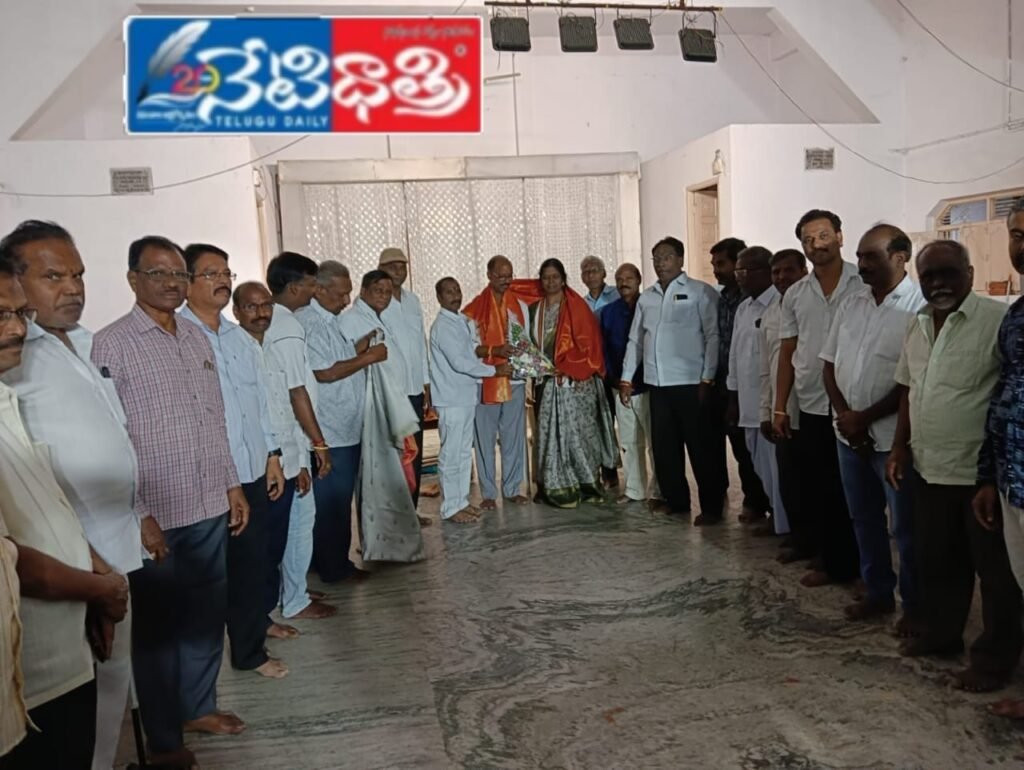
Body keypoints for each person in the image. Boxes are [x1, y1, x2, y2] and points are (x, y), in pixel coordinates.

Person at [92, 236, 250, 760]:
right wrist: (138, 514)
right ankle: (163, 740)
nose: (170, 283)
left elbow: (215, 418)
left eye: (179, 274)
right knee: (159, 633)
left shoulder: (197, 338)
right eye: (157, 273)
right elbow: (109, 434)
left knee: (206, 619)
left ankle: (197, 706)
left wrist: (231, 485)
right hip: (155, 513)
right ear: (132, 278)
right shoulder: (111, 344)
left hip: (208, 502)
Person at [0, 220, 143, 769]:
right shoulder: (16, 354)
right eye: (53, 275)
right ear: (16, 280)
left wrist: (140, 516)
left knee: (108, 691)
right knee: (59, 707)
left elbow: (115, 434)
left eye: (78, 274)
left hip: (110, 550)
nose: (73, 288)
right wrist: (86, 573)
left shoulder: (86, 342)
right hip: (55, 564)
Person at [886, 240, 1020, 694]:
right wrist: (900, 447)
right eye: (930, 277)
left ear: (970, 273)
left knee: (997, 576)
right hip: (928, 466)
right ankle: (942, 637)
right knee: (937, 562)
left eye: (949, 273)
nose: (939, 283)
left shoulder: (996, 322)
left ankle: (994, 661)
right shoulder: (917, 324)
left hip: (979, 477)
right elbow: (908, 388)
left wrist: (991, 473)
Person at [180, 243, 288, 681]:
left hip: (252, 468)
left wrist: (273, 456)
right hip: (210, 478)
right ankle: (216, 664)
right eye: (210, 274)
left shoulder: (237, 338)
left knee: (253, 563)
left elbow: (259, 403)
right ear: (187, 283)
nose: (222, 280)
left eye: (226, 272)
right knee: (213, 576)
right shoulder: (182, 339)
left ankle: (249, 646)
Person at [820, 225, 923, 628]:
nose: (861, 265)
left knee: (905, 528)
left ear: (899, 257)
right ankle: (878, 592)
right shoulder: (853, 302)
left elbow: (912, 379)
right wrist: (847, 416)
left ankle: (914, 608)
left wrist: (865, 418)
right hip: (848, 435)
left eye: (871, 257)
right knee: (863, 519)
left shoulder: (918, 306)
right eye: (860, 257)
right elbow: (829, 364)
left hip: (893, 439)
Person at [773, 210, 861, 587]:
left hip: (858, 402)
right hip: (812, 402)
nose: (816, 245)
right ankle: (833, 563)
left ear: (840, 236)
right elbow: (788, 351)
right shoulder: (796, 294)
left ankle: (866, 569)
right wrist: (780, 405)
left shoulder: (863, 282)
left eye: (824, 235)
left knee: (859, 491)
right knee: (822, 489)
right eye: (808, 240)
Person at [621, 236, 722, 523]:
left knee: (700, 449)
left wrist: (708, 378)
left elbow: (713, 336)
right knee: (665, 448)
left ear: (680, 259)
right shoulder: (647, 297)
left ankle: (712, 508)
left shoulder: (700, 292)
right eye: (656, 258)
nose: (660, 263)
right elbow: (635, 341)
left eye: (666, 257)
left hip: (692, 383)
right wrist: (627, 378)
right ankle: (677, 502)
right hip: (658, 384)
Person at [297, 261, 383, 581]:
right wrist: (368, 357)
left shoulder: (332, 319)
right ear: (319, 289)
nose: (347, 301)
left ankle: (325, 561)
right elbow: (325, 371)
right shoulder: (308, 322)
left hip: (347, 425)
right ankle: (335, 568)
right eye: (341, 294)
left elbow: (342, 356)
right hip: (330, 430)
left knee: (334, 502)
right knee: (333, 503)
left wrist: (363, 344)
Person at [231, 282, 307, 643]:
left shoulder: (273, 350)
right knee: (255, 551)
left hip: (287, 462)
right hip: (255, 467)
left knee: (273, 546)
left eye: (265, 306)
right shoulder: (232, 352)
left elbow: (290, 407)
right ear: (236, 311)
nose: (261, 313)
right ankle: (255, 622)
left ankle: (265, 612)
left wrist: (302, 459)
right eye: (251, 307)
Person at [264, 252, 337, 621]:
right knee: (299, 521)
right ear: (293, 287)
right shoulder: (288, 327)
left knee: (295, 520)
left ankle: (293, 589)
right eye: (311, 283)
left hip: (288, 439)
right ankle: (294, 600)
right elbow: (297, 392)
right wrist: (318, 444)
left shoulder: (276, 321)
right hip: (290, 441)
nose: (316, 289)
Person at [976, 199, 1024, 718]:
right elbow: (1005, 396)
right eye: (1015, 233)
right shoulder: (1015, 316)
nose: (1020, 243)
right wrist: (990, 476)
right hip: (1013, 478)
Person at [340, 271, 424, 562]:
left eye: (388, 291)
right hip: (371, 409)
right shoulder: (352, 319)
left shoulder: (382, 317)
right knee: (375, 477)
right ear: (363, 290)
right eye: (378, 289)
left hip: (392, 404)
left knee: (396, 473)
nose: (384, 295)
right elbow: (347, 356)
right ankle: (375, 541)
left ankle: (391, 537)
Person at [528, 258, 616, 508]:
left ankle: (586, 482)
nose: (551, 281)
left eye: (555, 276)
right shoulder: (536, 310)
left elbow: (589, 346)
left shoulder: (576, 306)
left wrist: (568, 368)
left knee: (578, 435)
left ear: (564, 278)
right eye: (546, 277)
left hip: (577, 382)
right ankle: (554, 485)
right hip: (547, 383)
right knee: (550, 435)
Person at [430, 277, 510, 522]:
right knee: (451, 453)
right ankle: (449, 508)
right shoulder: (442, 327)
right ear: (439, 298)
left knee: (464, 452)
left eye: (457, 290)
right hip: (450, 399)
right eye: (449, 292)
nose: (455, 295)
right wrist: (494, 371)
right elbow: (460, 362)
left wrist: (494, 351)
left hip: (465, 396)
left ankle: (461, 501)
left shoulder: (463, 321)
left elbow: (474, 350)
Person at [726, 246, 786, 537]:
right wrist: (733, 396)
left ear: (765, 272)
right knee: (759, 466)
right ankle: (776, 516)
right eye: (737, 272)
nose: (739, 278)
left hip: (773, 404)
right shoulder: (744, 307)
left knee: (778, 469)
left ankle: (786, 526)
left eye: (744, 272)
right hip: (747, 404)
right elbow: (735, 356)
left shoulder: (780, 304)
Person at [463, 256, 532, 510]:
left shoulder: (520, 307)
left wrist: (523, 359)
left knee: (514, 438)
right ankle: (489, 493)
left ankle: (513, 488)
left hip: (514, 381)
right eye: (501, 275)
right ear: (489, 275)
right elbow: (469, 350)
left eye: (509, 275)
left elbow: (525, 343)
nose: (506, 280)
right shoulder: (473, 311)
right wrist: (497, 350)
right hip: (486, 381)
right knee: (485, 439)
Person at [711, 238, 770, 524]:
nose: (717, 271)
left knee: (759, 453)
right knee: (741, 447)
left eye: (722, 264)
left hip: (760, 389)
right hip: (729, 383)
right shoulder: (725, 299)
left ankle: (760, 504)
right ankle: (755, 499)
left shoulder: (758, 302)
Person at [760, 249, 808, 559]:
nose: (781, 278)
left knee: (814, 484)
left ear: (803, 270)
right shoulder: (771, 312)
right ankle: (799, 539)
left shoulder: (811, 305)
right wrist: (769, 410)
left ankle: (819, 545)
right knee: (789, 482)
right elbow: (768, 366)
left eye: (788, 271)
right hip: (783, 410)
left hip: (810, 408)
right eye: (776, 272)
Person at [602, 263, 661, 505]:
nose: (624, 282)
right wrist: (614, 379)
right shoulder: (609, 312)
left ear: (639, 279)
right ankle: (634, 490)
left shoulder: (650, 305)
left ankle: (658, 491)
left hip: (649, 386)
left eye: (629, 278)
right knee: (628, 440)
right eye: (619, 278)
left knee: (654, 442)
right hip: (620, 386)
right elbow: (604, 349)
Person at [378, 248, 431, 507]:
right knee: (393, 453)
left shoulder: (413, 300)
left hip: (414, 389)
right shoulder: (374, 302)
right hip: (391, 391)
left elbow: (420, 343)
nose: (399, 271)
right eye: (392, 267)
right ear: (381, 269)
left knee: (415, 451)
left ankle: (412, 509)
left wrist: (427, 382)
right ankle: (393, 515)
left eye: (402, 266)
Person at [581, 255, 620, 489]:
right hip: (593, 372)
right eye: (586, 271)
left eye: (595, 270)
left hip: (615, 368)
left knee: (620, 422)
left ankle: (619, 471)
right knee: (598, 422)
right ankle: (604, 469)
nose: (591, 275)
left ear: (604, 273)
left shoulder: (617, 295)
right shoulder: (580, 302)